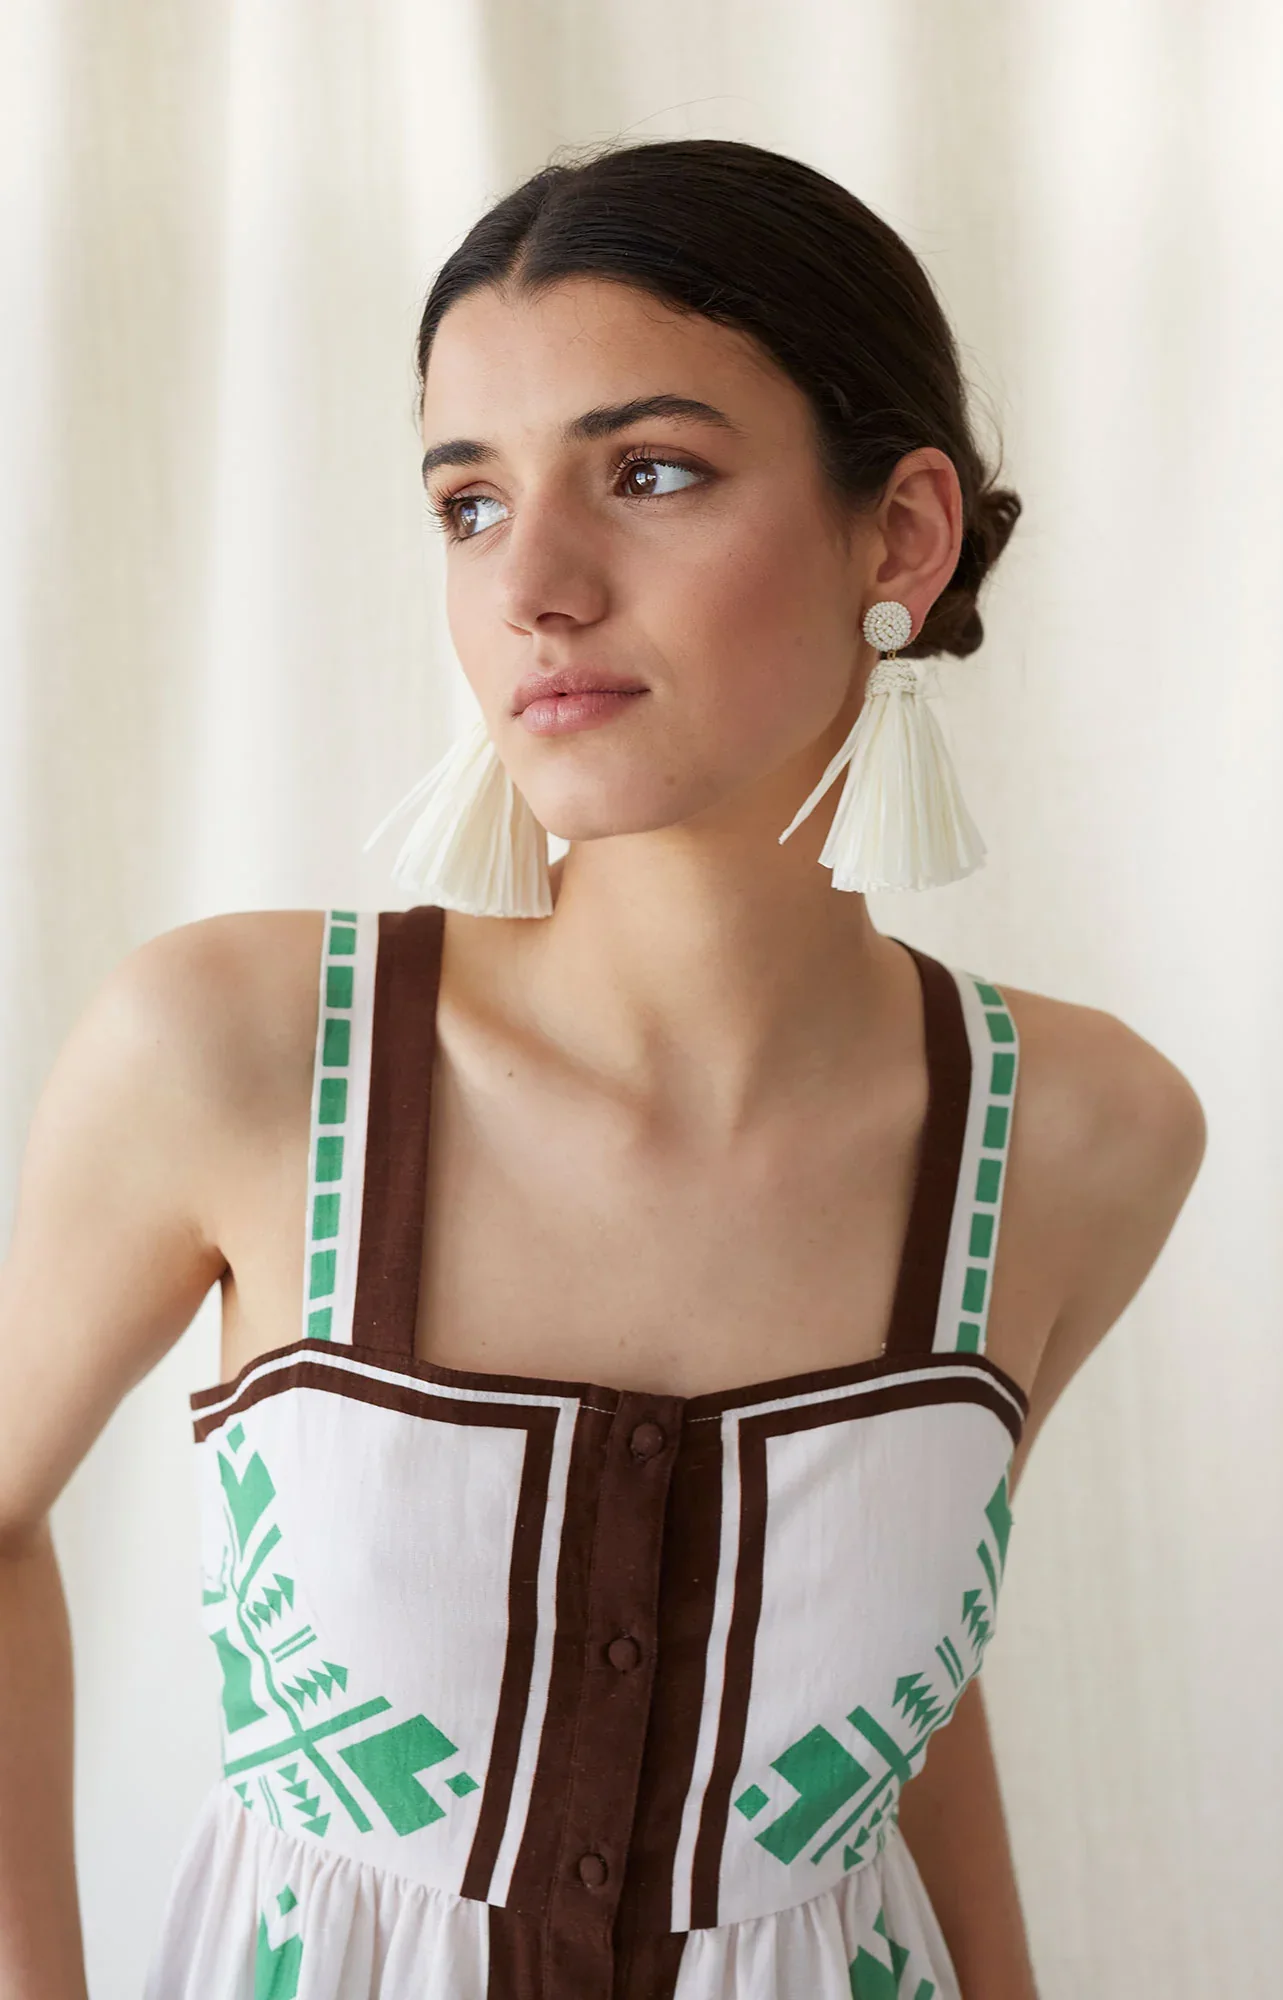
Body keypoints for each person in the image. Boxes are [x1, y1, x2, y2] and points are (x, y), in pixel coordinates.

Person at [0, 138, 1206, 2000]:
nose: (533, 587)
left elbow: (885, 1668)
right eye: (470, 503)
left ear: (903, 535)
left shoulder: (1081, 1137)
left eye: (648, 473)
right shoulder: (241, 1053)